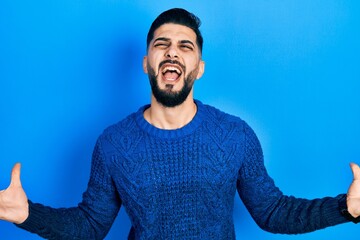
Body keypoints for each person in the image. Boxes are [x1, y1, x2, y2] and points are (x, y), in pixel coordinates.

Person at [0, 8, 359, 240]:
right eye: (162, 44)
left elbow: (273, 212)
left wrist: (346, 208)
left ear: (199, 68)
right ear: (146, 62)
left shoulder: (234, 136)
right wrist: (26, 214)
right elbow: (90, 226)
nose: (172, 52)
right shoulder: (113, 144)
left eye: (185, 46)